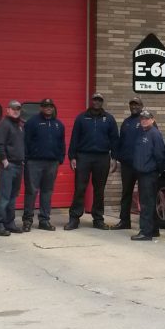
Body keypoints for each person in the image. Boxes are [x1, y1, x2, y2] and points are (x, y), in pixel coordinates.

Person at [65, 92, 119, 230]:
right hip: (83, 156)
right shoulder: (81, 118)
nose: (96, 102)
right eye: (94, 100)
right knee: (80, 188)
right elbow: (74, 138)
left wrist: (114, 158)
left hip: (102, 157)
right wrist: (72, 157)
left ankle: (98, 219)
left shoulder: (109, 119)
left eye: (99, 100)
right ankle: (74, 218)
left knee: (99, 190)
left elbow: (114, 139)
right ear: (91, 101)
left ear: (102, 102)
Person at [23, 98, 66, 232]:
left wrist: (60, 158)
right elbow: (25, 141)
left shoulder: (59, 124)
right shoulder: (32, 122)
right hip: (34, 162)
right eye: (45, 106)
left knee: (47, 192)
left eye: (50, 106)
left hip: (52, 163)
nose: (48, 108)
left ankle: (44, 220)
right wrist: (26, 158)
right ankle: (27, 220)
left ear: (53, 108)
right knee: (31, 191)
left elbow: (61, 143)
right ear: (41, 108)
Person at [130, 110, 165, 241]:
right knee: (149, 202)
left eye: (147, 118)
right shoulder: (142, 132)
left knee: (146, 204)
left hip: (149, 174)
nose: (144, 120)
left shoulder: (154, 134)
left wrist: (158, 171)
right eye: (142, 118)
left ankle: (145, 232)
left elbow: (160, 155)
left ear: (152, 119)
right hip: (142, 173)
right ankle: (154, 230)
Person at [0, 100, 26, 236]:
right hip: (8, 166)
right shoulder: (4, 125)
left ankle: (10, 223)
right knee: (4, 197)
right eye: (13, 109)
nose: (16, 111)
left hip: (18, 165)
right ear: (8, 110)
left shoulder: (19, 125)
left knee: (13, 197)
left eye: (18, 109)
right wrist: (5, 161)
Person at [114, 97, 145, 230]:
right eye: (131, 104)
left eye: (136, 104)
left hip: (141, 165)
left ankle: (145, 224)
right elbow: (121, 142)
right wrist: (117, 158)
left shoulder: (146, 121)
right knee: (126, 193)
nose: (134, 107)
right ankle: (124, 221)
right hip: (127, 165)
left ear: (141, 106)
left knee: (143, 194)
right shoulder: (126, 122)